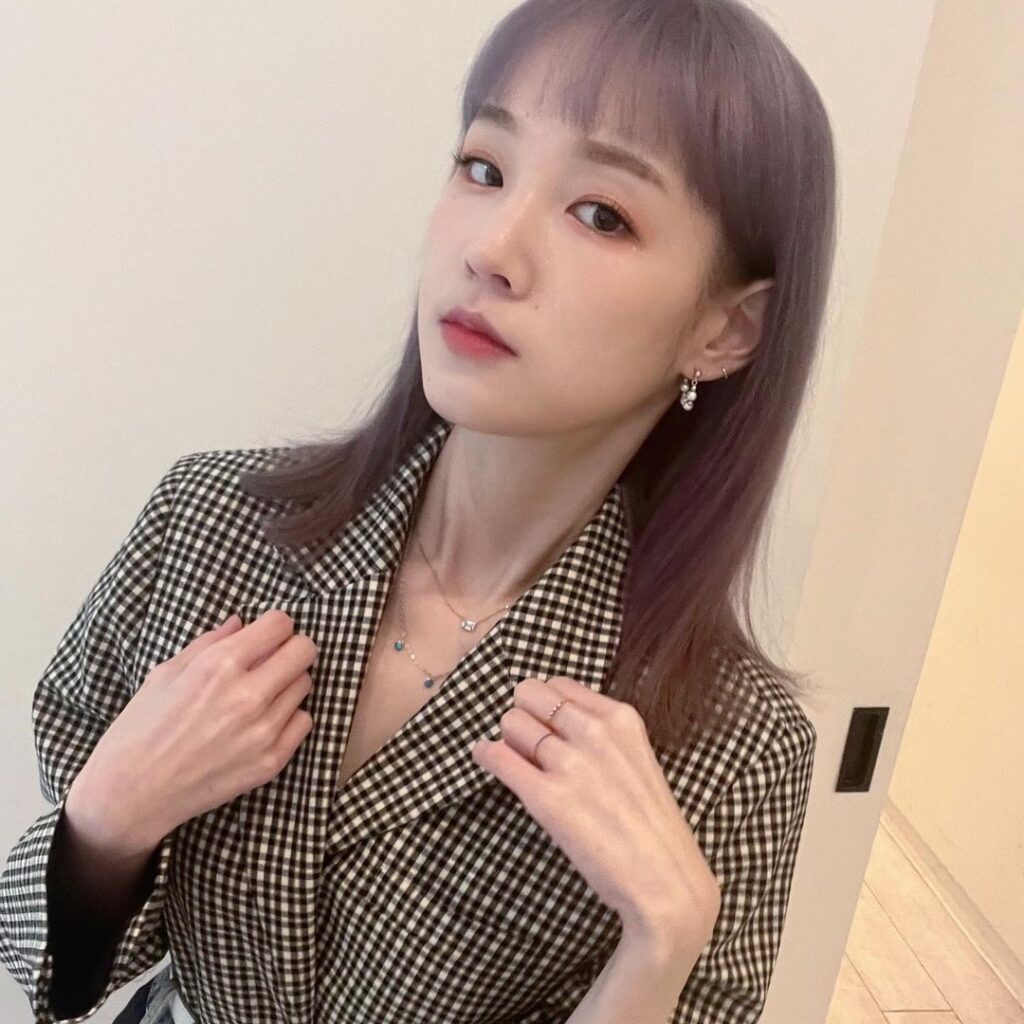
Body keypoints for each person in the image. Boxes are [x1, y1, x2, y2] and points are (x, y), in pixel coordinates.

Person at [0, 0, 835, 1021]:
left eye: (601, 214)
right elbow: (49, 955)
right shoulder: (208, 523)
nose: (492, 248)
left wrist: (657, 948)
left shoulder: (734, 748)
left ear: (725, 329)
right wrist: (108, 818)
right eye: (483, 167)